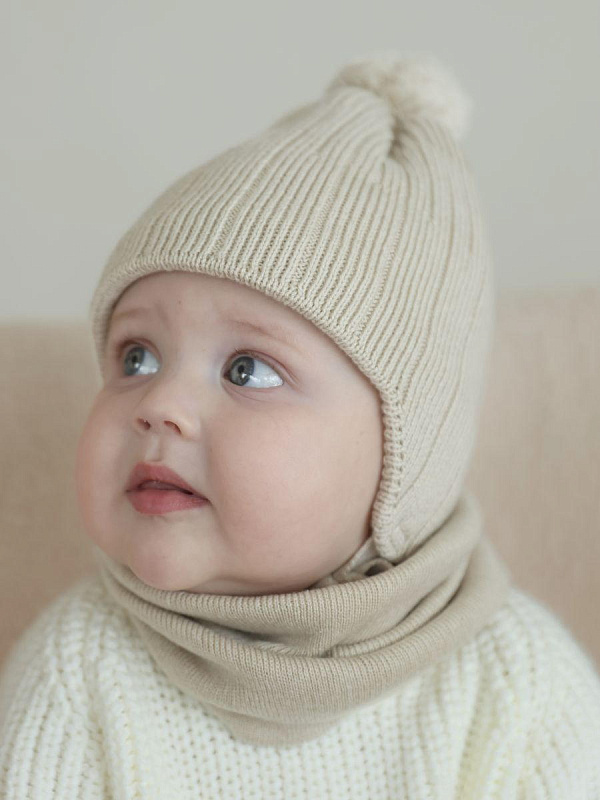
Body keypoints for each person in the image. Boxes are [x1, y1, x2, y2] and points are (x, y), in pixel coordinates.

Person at [1, 50, 600, 799]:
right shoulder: (78, 675)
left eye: (248, 370)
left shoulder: (515, 687)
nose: (158, 404)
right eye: (136, 357)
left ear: (404, 463)